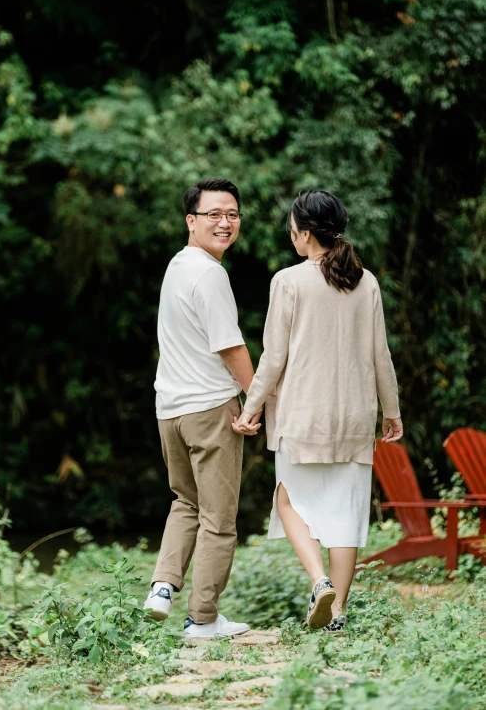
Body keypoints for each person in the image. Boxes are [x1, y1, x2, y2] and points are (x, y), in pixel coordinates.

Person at [233, 190, 403, 632]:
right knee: (346, 515)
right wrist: (392, 411)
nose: (291, 235)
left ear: (305, 233)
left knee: (288, 499)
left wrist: (251, 409)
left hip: (302, 416)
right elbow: (380, 354)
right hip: (355, 416)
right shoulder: (366, 282)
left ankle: (319, 581)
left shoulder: (288, 281)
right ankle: (339, 612)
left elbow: (274, 357)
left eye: (293, 227)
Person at [144, 176, 260, 638]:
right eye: (213, 214)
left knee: (185, 503)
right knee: (218, 519)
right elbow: (230, 348)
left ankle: (162, 587)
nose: (225, 222)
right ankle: (203, 620)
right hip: (210, 410)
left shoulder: (178, 265)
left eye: (232, 214)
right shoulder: (210, 274)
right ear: (191, 221)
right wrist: (258, 400)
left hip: (169, 410)